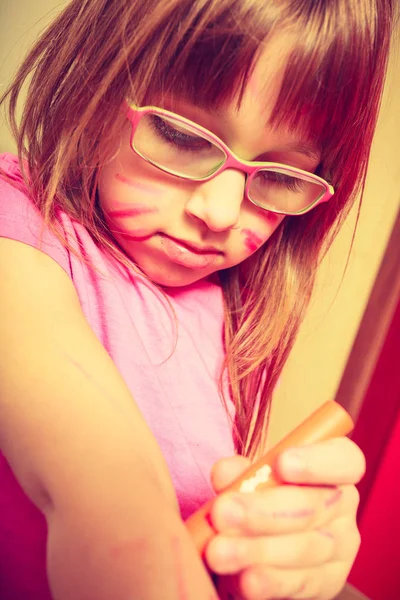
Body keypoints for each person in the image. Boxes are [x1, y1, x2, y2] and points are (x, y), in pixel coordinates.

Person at [0, 0, 395, 599]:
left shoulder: (213, 302)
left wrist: (280, 557)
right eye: (181, 136)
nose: (218, 212)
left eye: (282, 178)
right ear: (94, 81)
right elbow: (111, 501)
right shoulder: (19, 230)